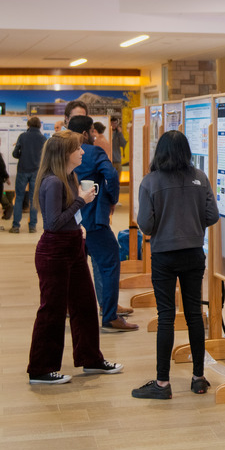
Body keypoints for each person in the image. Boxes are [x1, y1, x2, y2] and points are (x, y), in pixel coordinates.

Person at [26, 130, 122, 385]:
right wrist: (81, 200)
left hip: (73, 246)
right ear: (64, 154)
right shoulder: (53, 182)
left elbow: (66, 217)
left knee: (86, 306)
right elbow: (53, 223)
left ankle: (91, 358)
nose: (82, 152)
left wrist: (80, 204)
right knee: (52, 310)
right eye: (78, 149)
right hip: (55, 250)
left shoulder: (70, 176)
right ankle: (41, 368)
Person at [133, 129, 219, 399]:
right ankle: (198, 378)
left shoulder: (150, 182)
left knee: (166, 317)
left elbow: (146, 226)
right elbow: (212, 216)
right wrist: (191, 225)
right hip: (194, 253)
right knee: (194, 315)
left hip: (164, 256)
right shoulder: (200, 178)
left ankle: (162, 384)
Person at [68, 115, 137, 333]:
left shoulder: (60, 152)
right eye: (92, 131)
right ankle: (109, 316)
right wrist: (111, 199)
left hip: (70, 219)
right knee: (110, 261)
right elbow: (112, 175)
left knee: (75, 267)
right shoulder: (93, 151)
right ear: (86, 133)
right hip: (94, 218)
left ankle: (75, 309)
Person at [10, 115, 46, 233]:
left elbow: (15, 154)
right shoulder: (43, 138)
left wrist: (22, 155)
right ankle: (32, 226)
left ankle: (16, 226)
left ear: (28, 125)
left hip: (22, 170)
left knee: (19, 197)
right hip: (36, 171)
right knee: (33, 199)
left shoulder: (23, 136)